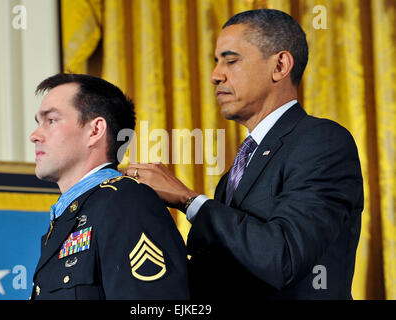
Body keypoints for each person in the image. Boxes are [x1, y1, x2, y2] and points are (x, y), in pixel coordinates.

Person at [127, 9, 363, 299]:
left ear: (280, 65)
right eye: (216, 62)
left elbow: (284, 257)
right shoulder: (233, 176)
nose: (215, 75)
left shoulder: (322, 142)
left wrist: (188, 200)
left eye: (231, 60)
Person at [29, 73, 189, 300]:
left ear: (95, 131)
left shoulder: (126, 201)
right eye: (38, 123)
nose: (34, 136)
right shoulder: (72, 215)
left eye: (51, 120)